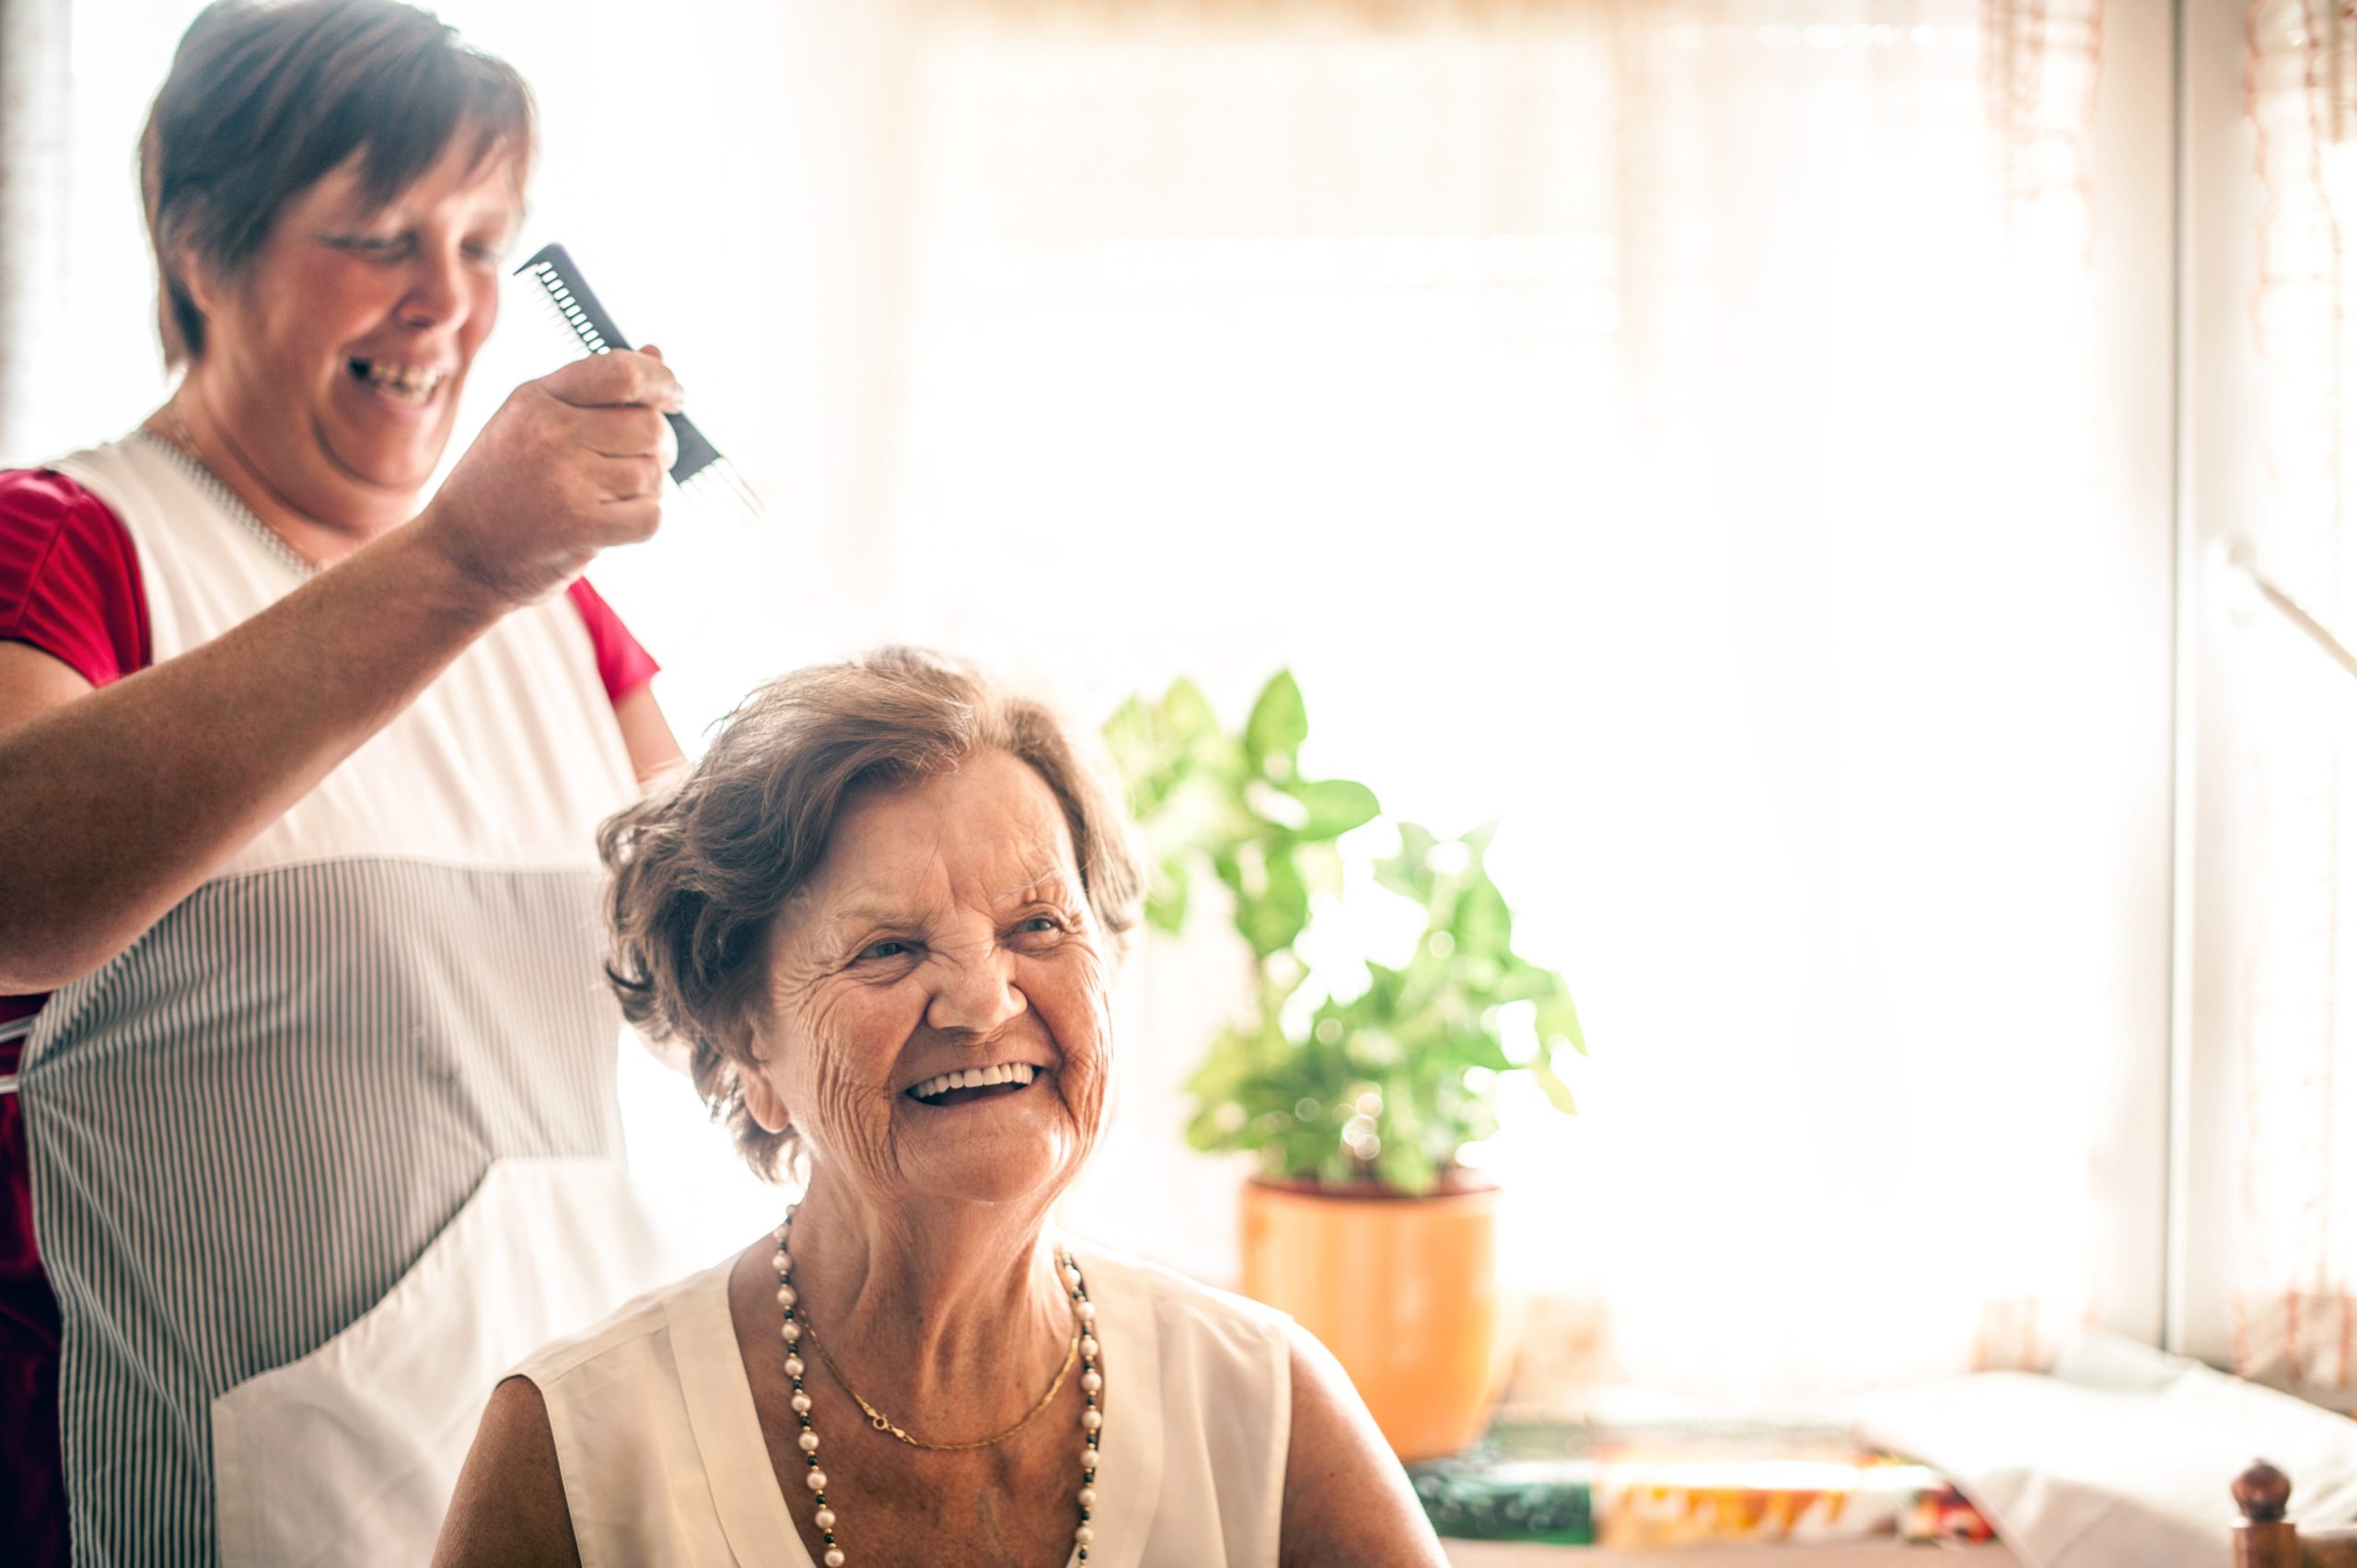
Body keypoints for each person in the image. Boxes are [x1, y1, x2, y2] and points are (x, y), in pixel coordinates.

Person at [0, 3, 695, 1561]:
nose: (446, 299)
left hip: (551, 1472)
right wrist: (460, 559)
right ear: (198, 247)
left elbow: (723, 954)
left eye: (481, 239)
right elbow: (15, 888)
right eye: (381, 235)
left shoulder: (565, 611)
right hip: (219, 1493)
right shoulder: (66, 543)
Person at [432, 647, 1451, 1568]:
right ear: (748, 1040)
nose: (983, 998)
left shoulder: (1265, 1409)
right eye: (887, 947)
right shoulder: (576, 1449)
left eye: (1039, 923)